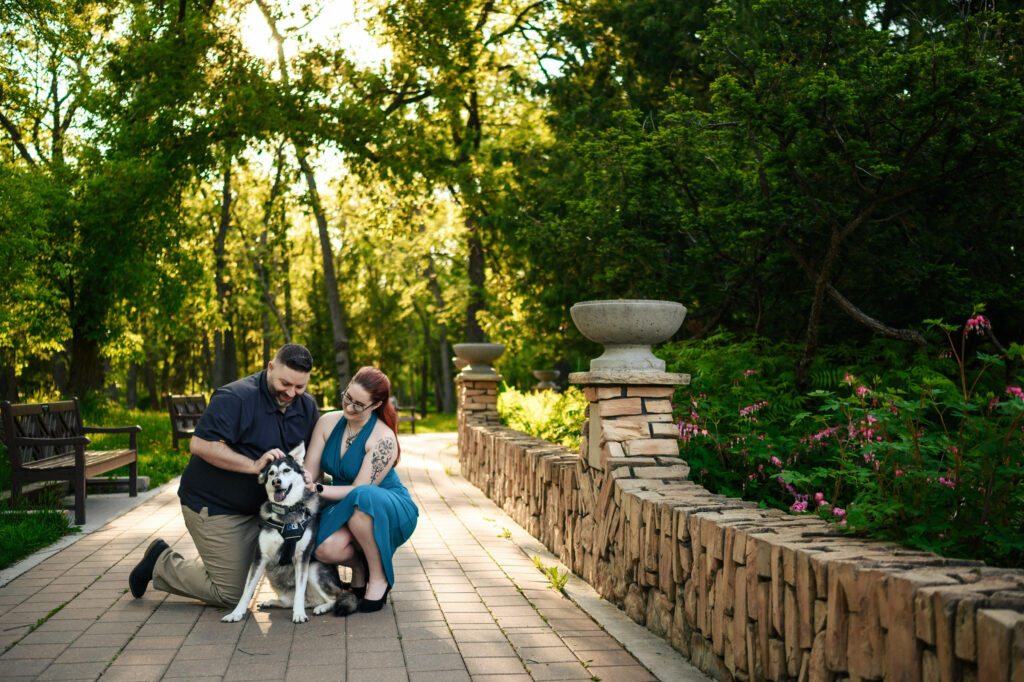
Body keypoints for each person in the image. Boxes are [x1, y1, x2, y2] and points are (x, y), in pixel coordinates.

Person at [128, 343, 320, 607]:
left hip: (265, 511)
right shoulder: (236, 397)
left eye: (300, 387)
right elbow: (200, 445)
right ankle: (160, 561)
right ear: (270, 368)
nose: (291, 393)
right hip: (216, 506)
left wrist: (308, 478)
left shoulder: (307, 407)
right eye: (285, 383)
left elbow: (308, 460)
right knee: (230, 594)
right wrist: (254, 465)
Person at [305, 366, 418, 613]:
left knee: (362, 498)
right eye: (347, 397)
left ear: (375, 405)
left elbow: (358, 489)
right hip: (343, 502)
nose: (348, 407)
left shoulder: (384, 439)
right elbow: (309, 473)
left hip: (385, 505)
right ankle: (360, 567)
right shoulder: (327, 422)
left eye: (358, 404)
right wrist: (302, 481)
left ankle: (379, 577)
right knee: (322, 548)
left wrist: (318, 489)